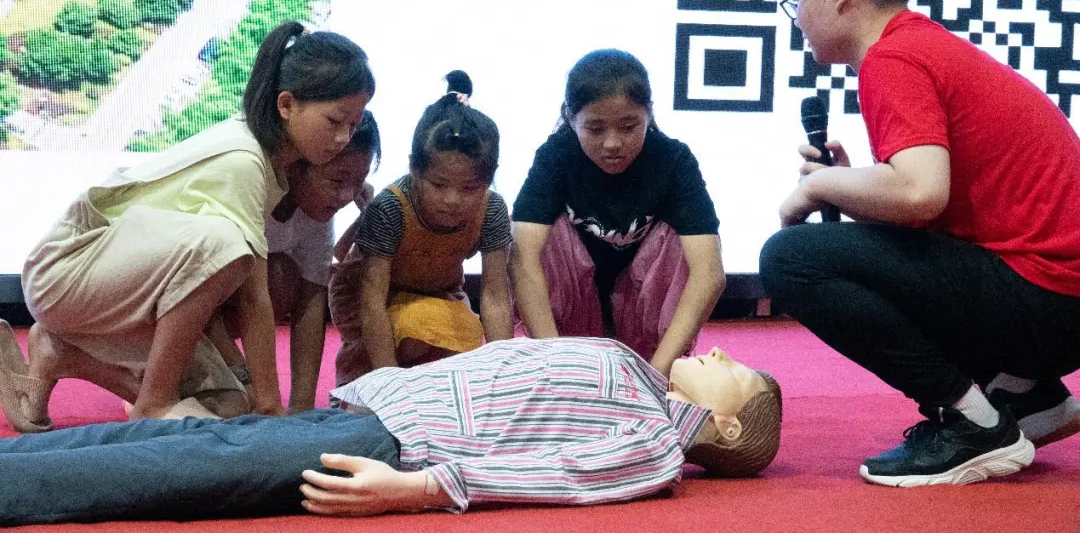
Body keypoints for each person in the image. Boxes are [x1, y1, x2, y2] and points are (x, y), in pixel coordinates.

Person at [758, 0, 1080, 487]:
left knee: (790, 258)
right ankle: (1030, 399)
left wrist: (819, 187)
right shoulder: (922, 45)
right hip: (1057, 300)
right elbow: (931, 209)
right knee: (838, 249)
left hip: (1050, 297)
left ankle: (975, 424)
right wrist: (856, 185)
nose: (796, 18)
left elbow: (920, 193)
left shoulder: (892, 57)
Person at [0, 21, 376, 430]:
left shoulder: (279, 166)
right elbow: (253, 298)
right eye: (334, 121)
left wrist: (269, 401)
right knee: (226, 244)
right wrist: (270, 408)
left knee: (229, 406)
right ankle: (154, 401)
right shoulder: (244, 160)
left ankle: (59, 354)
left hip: (116, 286)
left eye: (353, 125)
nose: (343, 138)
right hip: (65, 272)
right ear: (286, 105)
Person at [0, 337, 782, 525]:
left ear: (724, 424)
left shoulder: (656, 441)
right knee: (173, 444)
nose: (718, 352)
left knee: (195, 463)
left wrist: (421, 489)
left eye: (733, 370)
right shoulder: (641, 377)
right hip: (385, 412)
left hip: (397, 448)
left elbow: (563, 474)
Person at [510, 50, 725, 376]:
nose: (612, 144)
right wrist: (554, 363)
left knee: (689, 242)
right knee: (528, 239)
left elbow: (709, 273)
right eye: (595, 129)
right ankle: (562, 361)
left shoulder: (673, 160)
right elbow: (523, 260)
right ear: (571, 118)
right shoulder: (556, 156)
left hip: (643, 319)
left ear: (649, 113)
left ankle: (655, 363)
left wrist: (657, 375)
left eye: (628, 126)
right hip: (573, 322)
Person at [328, 71, 512, 385]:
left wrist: (503, 374)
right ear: (414, 168)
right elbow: (372, 302)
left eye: (469, 188)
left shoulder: (492, 209)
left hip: (438, 293)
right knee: (412, 332)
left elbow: (495, 296)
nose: (452, 200)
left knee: (455, 344)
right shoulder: (391, 207)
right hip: (366, 297)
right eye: (438, 185)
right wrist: (390, 385)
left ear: (489, 177)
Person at [207, 111, 381, 412]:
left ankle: (202, 370)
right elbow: (203, 298)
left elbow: (312, 303)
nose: (346, 196)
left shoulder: (317, 212)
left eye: (358, 183)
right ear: (298, 165)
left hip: (212, 310)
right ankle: (164, 371)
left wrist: (302, 407)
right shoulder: (250, 187)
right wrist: (248, 382)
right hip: (171, 305)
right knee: (237, 405)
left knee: (280, 276)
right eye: (337, 180)